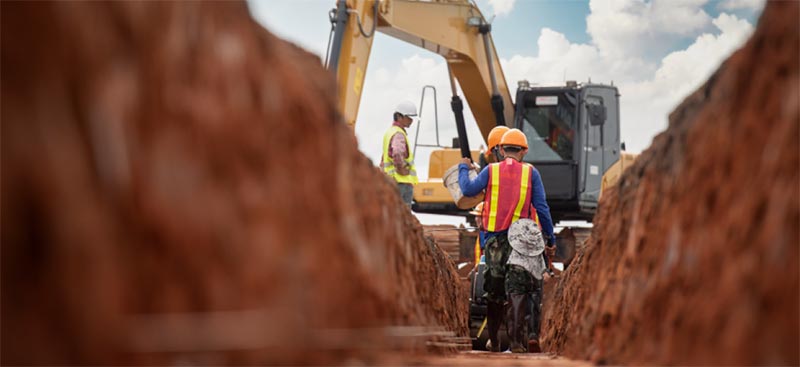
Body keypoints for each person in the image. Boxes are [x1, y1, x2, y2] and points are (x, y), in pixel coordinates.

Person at [457, 128, 555, 352]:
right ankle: (516, 342)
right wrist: (550, 238)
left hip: (495, 241)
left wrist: (464, 167)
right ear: (524, 151)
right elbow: (542, 208)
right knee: (518, 290)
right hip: (521, 241)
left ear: (501, 149)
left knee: (494, 290)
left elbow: (468, 189)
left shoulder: (491, 170)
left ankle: (494, 341)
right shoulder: (532, 174)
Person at [506, 218, 548, 353]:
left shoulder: (514, 243)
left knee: (516, 305)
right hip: (535, 272)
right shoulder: (536, 239)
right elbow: (543, 263)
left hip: (516, 269)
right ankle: (533, 335)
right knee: (534, 303)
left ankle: (516, 342)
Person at [381, 101, 418, 206]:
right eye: (408, 117)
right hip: (401, 182)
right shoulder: (399, 134)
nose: (411, 120)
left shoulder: (390, 132)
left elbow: (384, 156)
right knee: (403, 217)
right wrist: (401, 169)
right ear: (399, 116)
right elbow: (397, 153)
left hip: (392, 181)